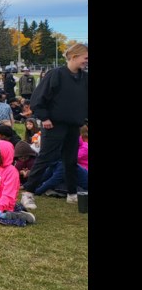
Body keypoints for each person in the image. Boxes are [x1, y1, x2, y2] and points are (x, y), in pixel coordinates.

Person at [19, 43, 88, 210]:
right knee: (46, 158)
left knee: (70, 160)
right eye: (85, 58)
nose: (86, 61)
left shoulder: (84, 78)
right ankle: (28, 193)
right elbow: (38, 99)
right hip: (53, 125)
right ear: (74, 57)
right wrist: (44, 117)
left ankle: (72, 193)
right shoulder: (56, 75)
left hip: (74, 125)